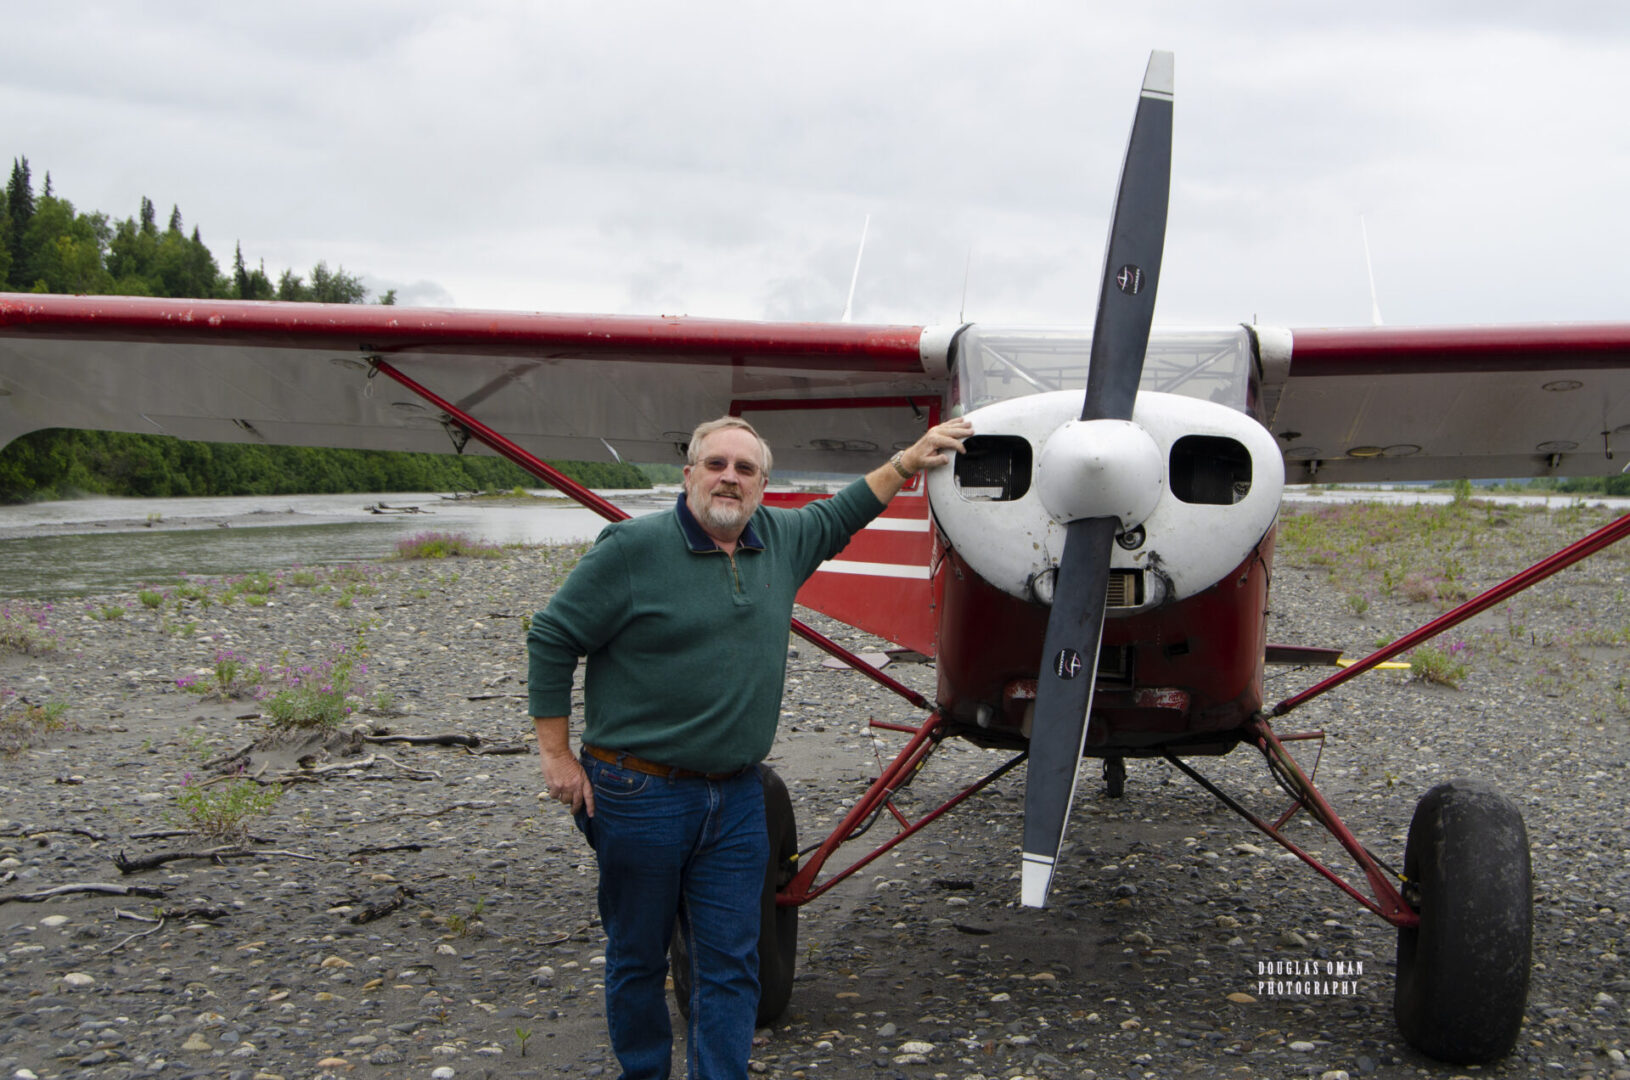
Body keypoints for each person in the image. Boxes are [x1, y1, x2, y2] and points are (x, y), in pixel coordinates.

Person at [529, 413, 972, 1080]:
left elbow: (848, 508)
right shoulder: (629, 549)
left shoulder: (784, 539)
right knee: (639, 956)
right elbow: (551, 639)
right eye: (716, 465)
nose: (728, 479)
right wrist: (557, 756)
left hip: (737, 796)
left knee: (733, 962)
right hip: (637, 791)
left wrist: (908, 460)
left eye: (745, 469)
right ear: (688, 476)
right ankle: (644, 1071)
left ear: (765, 486)